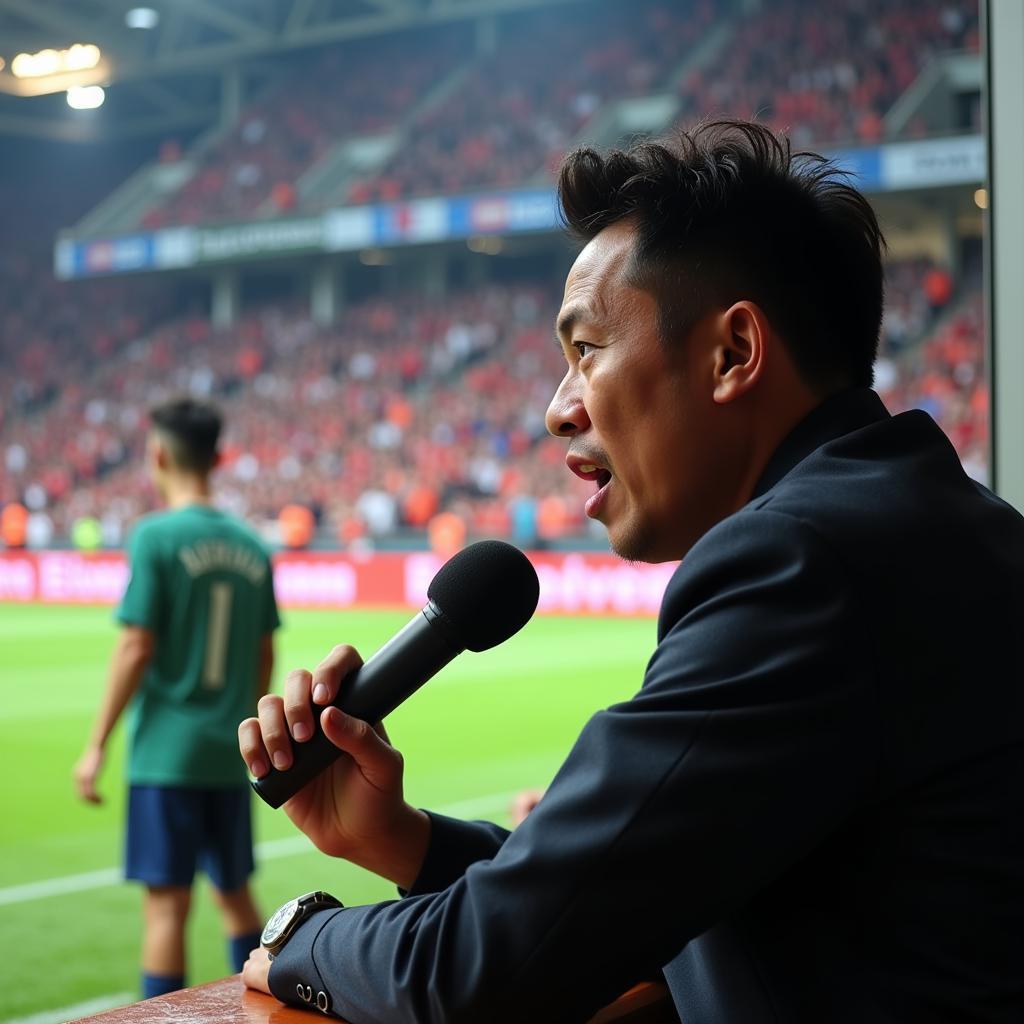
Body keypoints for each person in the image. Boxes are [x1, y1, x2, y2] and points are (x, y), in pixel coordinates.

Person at [237, 122, 1024, 1023]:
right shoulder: (933, 522)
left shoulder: (801, 563)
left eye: (587, 351)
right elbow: (646, 908)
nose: (556, 410)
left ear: (733, 354)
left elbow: (479, 976)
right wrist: (406, 842)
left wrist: (299, 941)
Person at [74, 397, 280, 1000]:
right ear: (219, 458)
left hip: (166, 756)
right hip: (229, 752)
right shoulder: (251, 544)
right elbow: (264, 652)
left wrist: (94, 746)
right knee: (236, 892)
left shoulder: (156, 537)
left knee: (166, 910)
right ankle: (263, 1010)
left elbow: (136, 646)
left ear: (158, 455)